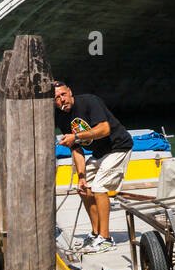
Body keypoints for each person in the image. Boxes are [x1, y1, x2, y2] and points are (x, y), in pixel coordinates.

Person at [53, 81, 134, 253]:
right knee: (83, 188)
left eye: (63, 94)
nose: (61, 100)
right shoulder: (60, 116)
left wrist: (76, 136)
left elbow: (104, 129)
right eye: (57, 98)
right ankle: (96, 232)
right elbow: (76, 148)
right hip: (98, 152)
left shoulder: (89, 102)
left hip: (118, 146)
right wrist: (81, 176)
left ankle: (106, 239)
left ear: (70, 92)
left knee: (99, 188)